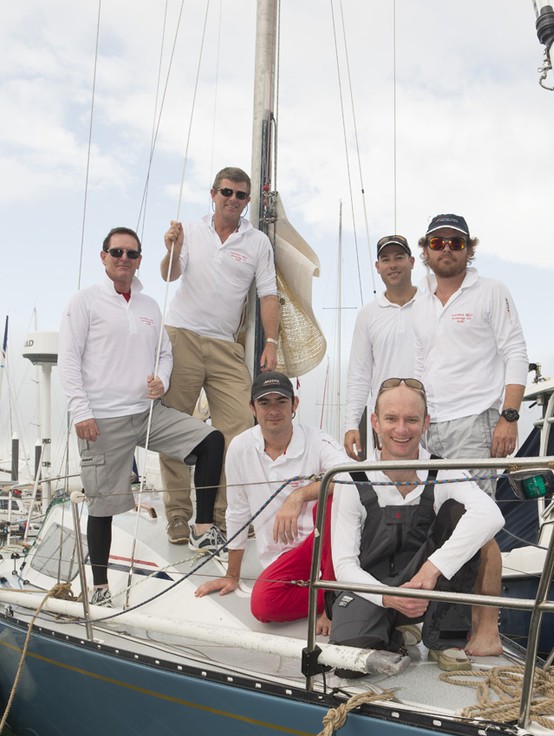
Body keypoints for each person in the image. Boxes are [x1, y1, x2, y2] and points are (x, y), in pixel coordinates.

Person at [58, 226, 226, 606]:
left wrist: (162, 381)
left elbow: (164, 354)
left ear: (139, 261)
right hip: (102, 419)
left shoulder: (149, 306)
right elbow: (68, 361)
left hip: (149, 412)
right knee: (102, 505)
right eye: (116, 252)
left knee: (211, 440)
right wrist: (81, 412)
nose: (124, 259)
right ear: (103, 257)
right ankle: (99, 587)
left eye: (131, 254)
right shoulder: (83, 302)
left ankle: (201, 527)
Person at [414, 212, 529, 657]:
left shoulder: (491, 291)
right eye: (438, 242)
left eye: (456, 243)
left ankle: (487, 630)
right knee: (441, 523)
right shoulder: (418, 299)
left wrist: (509, 415)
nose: (447, 249)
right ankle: (443, 623)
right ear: (425, 249)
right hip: (429, 427)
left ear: (469, 248)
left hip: (475, 422)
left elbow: (515, 351)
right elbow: (423, 361)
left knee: (479, 525)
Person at [330, 378, 504, 671]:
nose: (401, 429)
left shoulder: (445, 471)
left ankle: (445, 637)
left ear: (426, 423)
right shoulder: (351, 479)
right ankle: (394, 632)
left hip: (425, 589)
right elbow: (344, 566)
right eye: (391, 419)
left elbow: (491, 515)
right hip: (370, 590)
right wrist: (387, 596)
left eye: (411, 419)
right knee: (352, 664)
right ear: (375, 422)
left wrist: (431, 569)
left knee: (463, 516)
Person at [159, 166, 281, 545]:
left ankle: (219, 515)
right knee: (174, 427)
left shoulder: (257, 242)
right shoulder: (190, 231)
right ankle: (178, 516)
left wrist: (271, 342)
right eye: (226, 192)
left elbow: (268, 295)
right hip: (181, 336)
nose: (233, 199)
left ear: (246, 201)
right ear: (213, 194)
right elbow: (168, 275)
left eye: (241, 195)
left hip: (227, 345)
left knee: (241, 427)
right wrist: (171, 249)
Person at [195, 371, 347, 634]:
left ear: (294, 405)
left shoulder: (316, 440)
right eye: (265, 403)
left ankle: (333, 600)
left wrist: (298, 495)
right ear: (252, 408)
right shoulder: (241, 447)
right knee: (264, 607)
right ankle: (343, 593)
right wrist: (233, 574)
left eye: (281, 401)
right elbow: (238, 511)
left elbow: (350, 475)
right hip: (283, 558)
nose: (273, 410)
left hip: (322, 546)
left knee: (337, 496)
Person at [343, 234, 423, 460]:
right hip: (386, 423)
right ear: (378, 267)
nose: (393, 265)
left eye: (399, 257)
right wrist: (351, 425)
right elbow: (359, 373)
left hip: (426, 420)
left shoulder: (431, 305)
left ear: (412, 262)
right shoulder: (367, 314)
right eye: (386, 260)